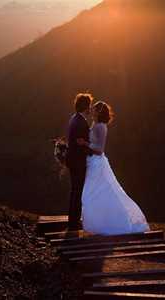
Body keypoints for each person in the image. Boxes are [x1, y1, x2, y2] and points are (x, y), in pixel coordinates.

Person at [77, 101, 150, 235]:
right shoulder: (95, 124)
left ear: (99, 112)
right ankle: (99, 222)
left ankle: (111, 222)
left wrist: (85, 143)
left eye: (93, 109)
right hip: (92, 162)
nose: (91, 111)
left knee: (93, 192)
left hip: (97, 163)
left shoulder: (101, 127)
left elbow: (99, 149)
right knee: (92, 193)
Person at [66, 93, 96, 231]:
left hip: (73, 160)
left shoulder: (75, 119)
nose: (90, 108)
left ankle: (73, 221)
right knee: (78, 191)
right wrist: (92, 151)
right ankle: (73, 223)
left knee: (75, 190)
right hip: (77, 161)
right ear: (85, 106)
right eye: (89, 105)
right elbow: (81, 144)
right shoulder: (80, 122)